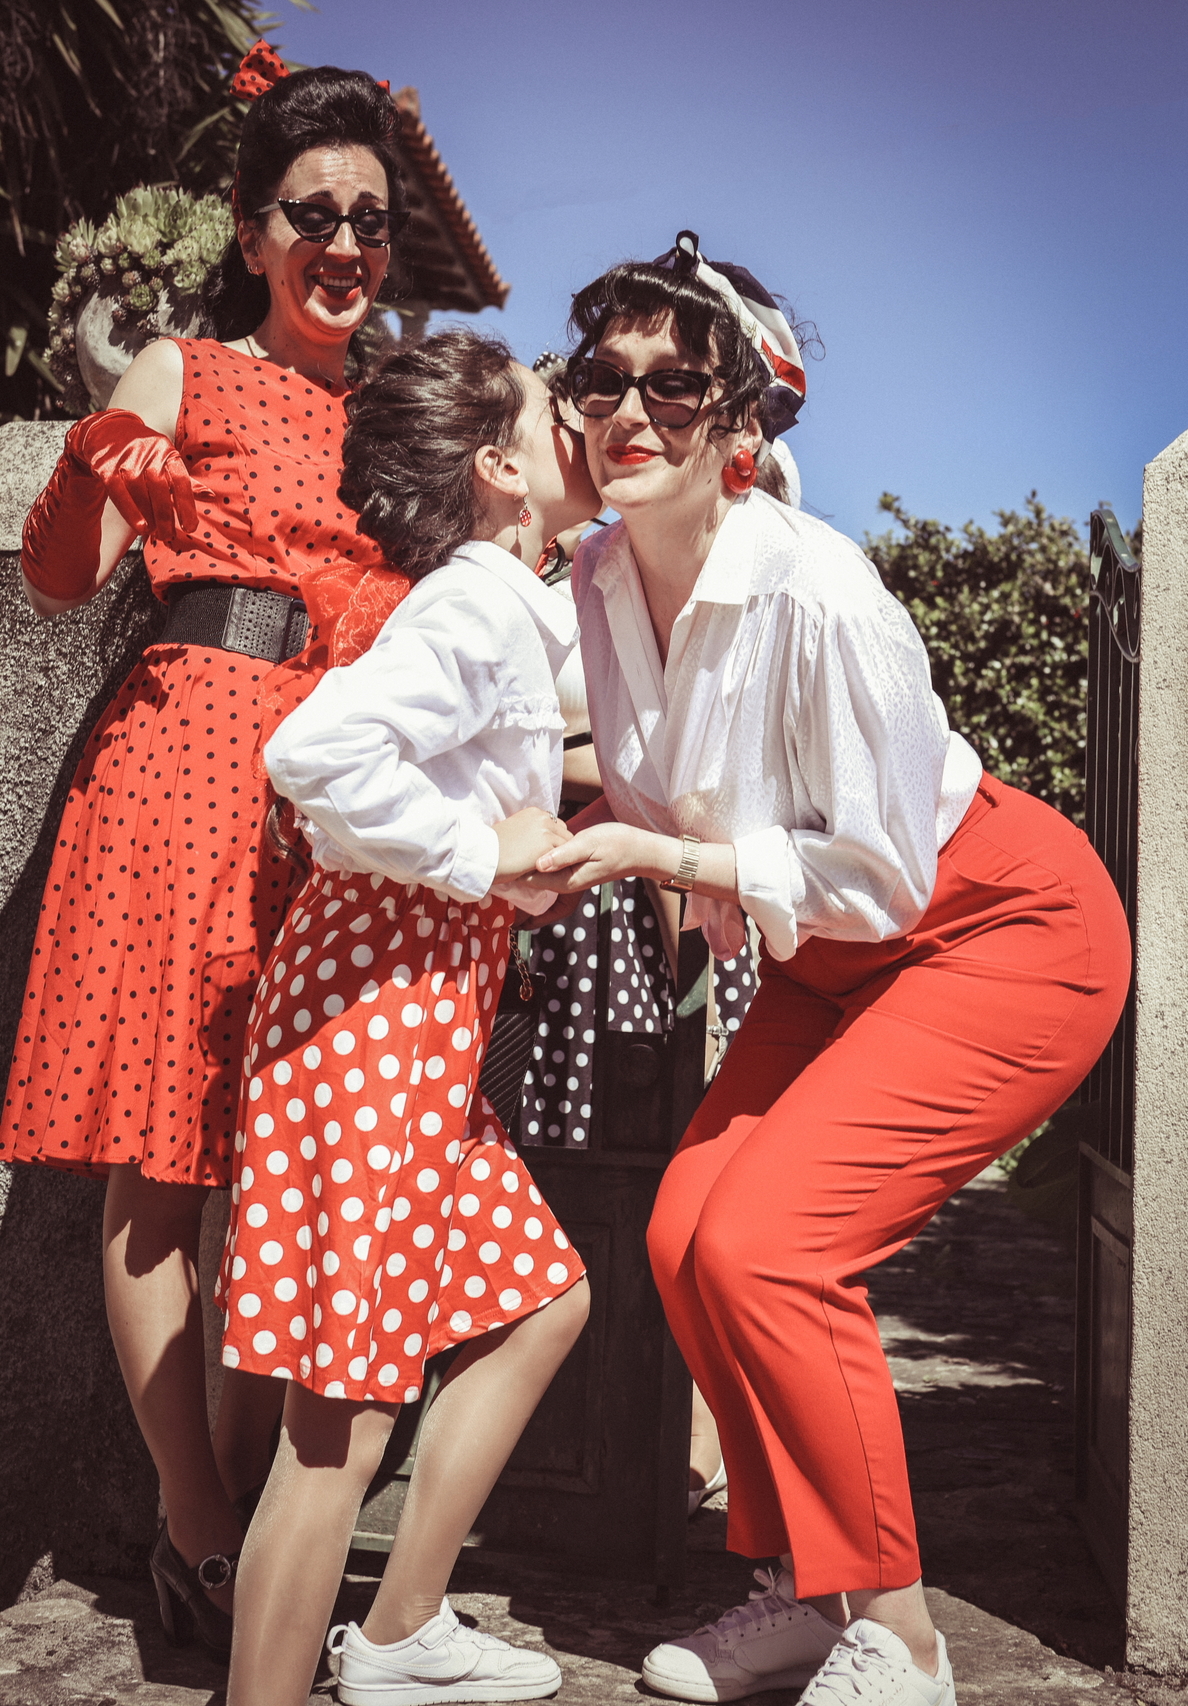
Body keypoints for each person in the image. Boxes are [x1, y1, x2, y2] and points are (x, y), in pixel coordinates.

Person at [530, 233, 1131, 1706]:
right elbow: (632, 773)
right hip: (832, 951)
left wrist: (655, 853)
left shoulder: (821, 592)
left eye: (675, 386)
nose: (630, 411)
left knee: (774, 1246)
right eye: (604, 378)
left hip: (996, 927)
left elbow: (882, 872)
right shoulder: (598, 572)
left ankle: (903, 1638)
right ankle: (808, 1592)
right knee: (686, 1235)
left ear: (739, 425)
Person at [1, 43, 409, 1658]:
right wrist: (98, 441)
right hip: (182, 778)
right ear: (252, 231)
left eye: (369, 218)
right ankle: (199, 1529)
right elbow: (56, 581)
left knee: (286, 1171)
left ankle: (239, 1539)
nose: (344, 243)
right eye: (312, 212)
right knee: (160, 1167)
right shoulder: (183, 369)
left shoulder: (401, 418)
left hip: (334, 808)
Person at [219, 327, 596, 1706]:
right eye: (558, 409)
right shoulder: (475, 608)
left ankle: (397, 1634)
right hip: (373, 1023)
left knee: (541, 1300)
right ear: (500, 465)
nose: (589, 417)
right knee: (339, 1429)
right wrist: (480, 855)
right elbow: (312, 750)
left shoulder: (516, 604)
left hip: (414, 1023)